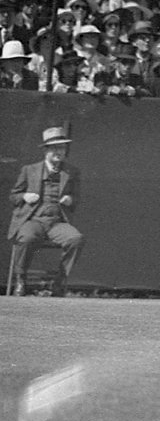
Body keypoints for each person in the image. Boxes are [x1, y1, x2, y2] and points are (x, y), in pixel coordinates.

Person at [8, 127, 85, 296]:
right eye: (55, 148)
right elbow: (13, 196)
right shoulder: (29, 170)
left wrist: (70, 200)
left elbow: (76, 199)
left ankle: (59, 282)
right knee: (27, 237)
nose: (59, 152)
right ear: (46, 150)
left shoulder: (71, 172)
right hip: (33, 220)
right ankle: (20, 279)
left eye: (62, 148)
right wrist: (25, 196)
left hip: (57, 221)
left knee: (75, 239)